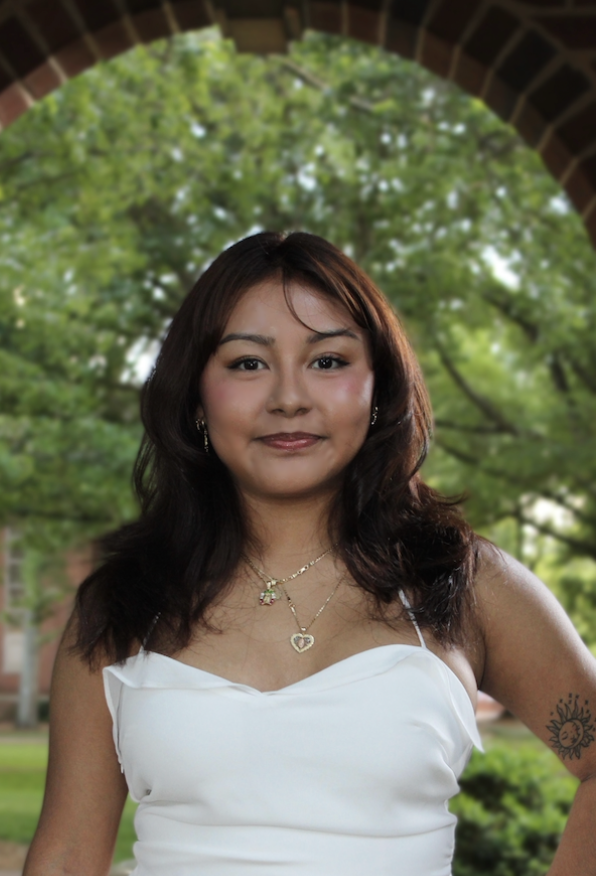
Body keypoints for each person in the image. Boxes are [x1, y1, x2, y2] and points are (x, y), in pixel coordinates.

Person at [24, 231, 596, 876]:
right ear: (196, 398)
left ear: (378, 388)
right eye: (248, 363)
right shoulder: (125, 602)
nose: (289, 397)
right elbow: (66, 857)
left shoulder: (463, 582)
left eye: (327, 361)